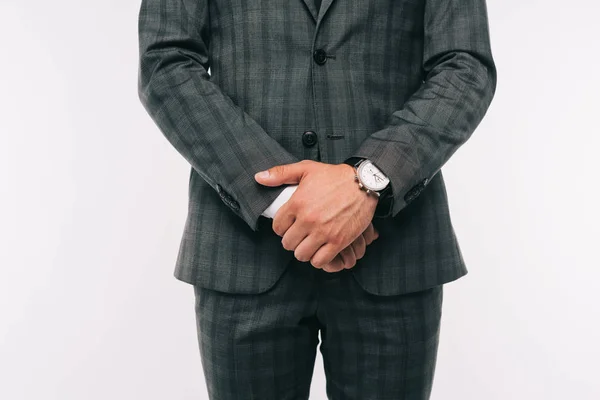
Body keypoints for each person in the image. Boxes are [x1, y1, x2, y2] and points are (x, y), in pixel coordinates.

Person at [137, 0, 497, 398]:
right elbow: (165, 61)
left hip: (394, 253)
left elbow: (465, 65)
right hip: (242, 251)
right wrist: (288, 201)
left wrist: (368, 180)